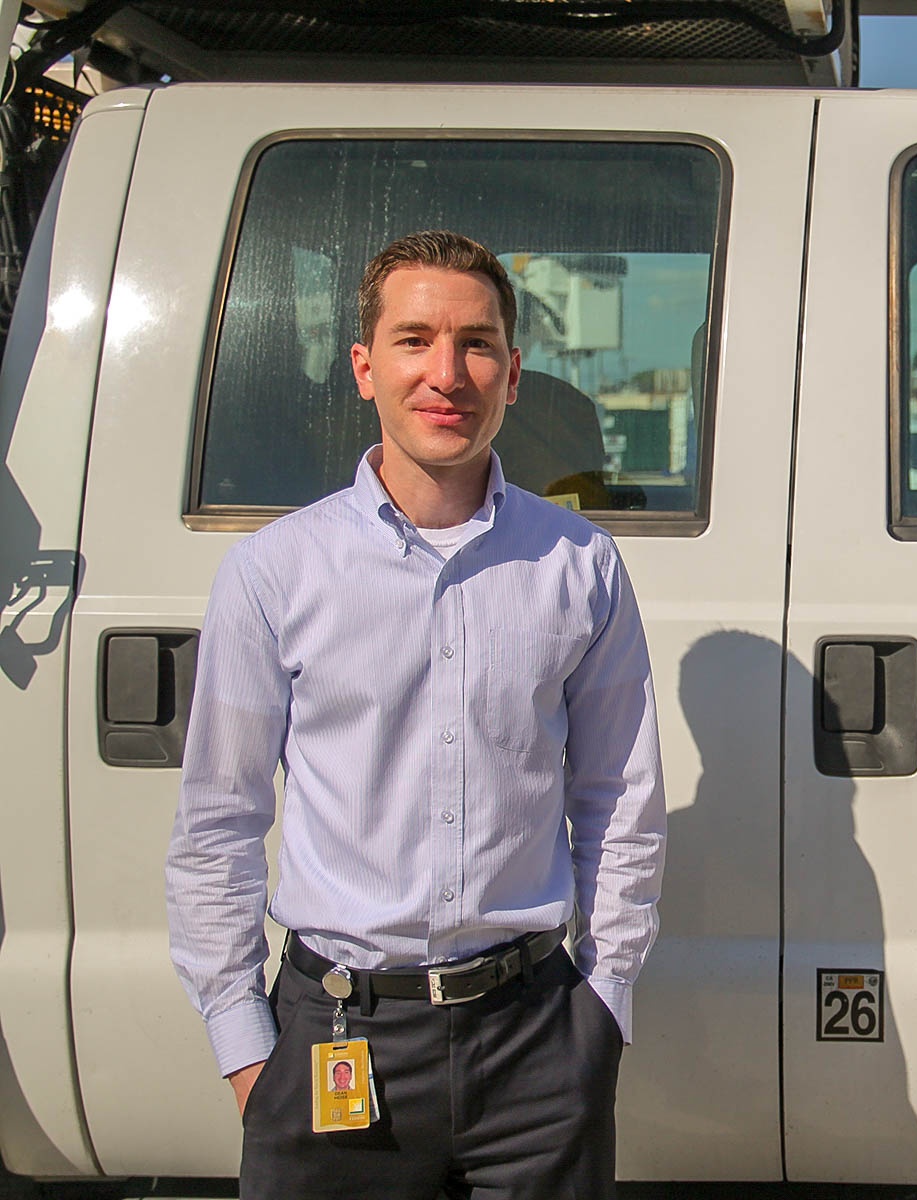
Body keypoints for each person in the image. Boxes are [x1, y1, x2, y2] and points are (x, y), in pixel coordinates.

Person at [167, 230, 666, 1200]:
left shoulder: (580, 566)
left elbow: (620, 802)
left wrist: (601, 1011)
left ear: (514, 374)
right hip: (336, 1040)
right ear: (363, 367)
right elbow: (217, 823)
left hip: (535, 1043)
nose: (448, 373)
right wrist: (245, 1052)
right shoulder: (276, 572)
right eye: (414, 340)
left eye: (477, 344)